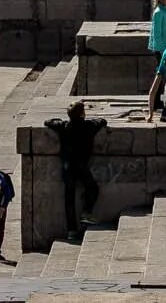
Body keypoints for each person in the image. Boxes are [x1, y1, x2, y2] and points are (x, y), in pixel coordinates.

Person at [44, 100, 108, 242]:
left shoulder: (64, 126)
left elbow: (48, 122)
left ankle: (71, 231)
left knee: (69, 198)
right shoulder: (89, 126)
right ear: (82, 114)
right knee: (93, 188)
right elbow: (102, 121)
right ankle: (86, 211)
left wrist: (58, 121)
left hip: (68, 167)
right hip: (82, 166)